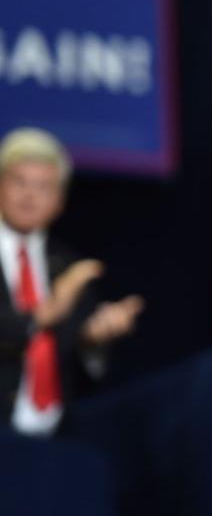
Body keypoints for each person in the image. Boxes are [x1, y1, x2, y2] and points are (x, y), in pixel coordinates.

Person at [0, 128, 143, 436]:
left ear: (60, 201)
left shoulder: (69, 267)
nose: (29, 195)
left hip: (54, 442)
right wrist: (39, 317)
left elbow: (82, 376)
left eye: (43, 187)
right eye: (19, 182)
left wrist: (92, 339)